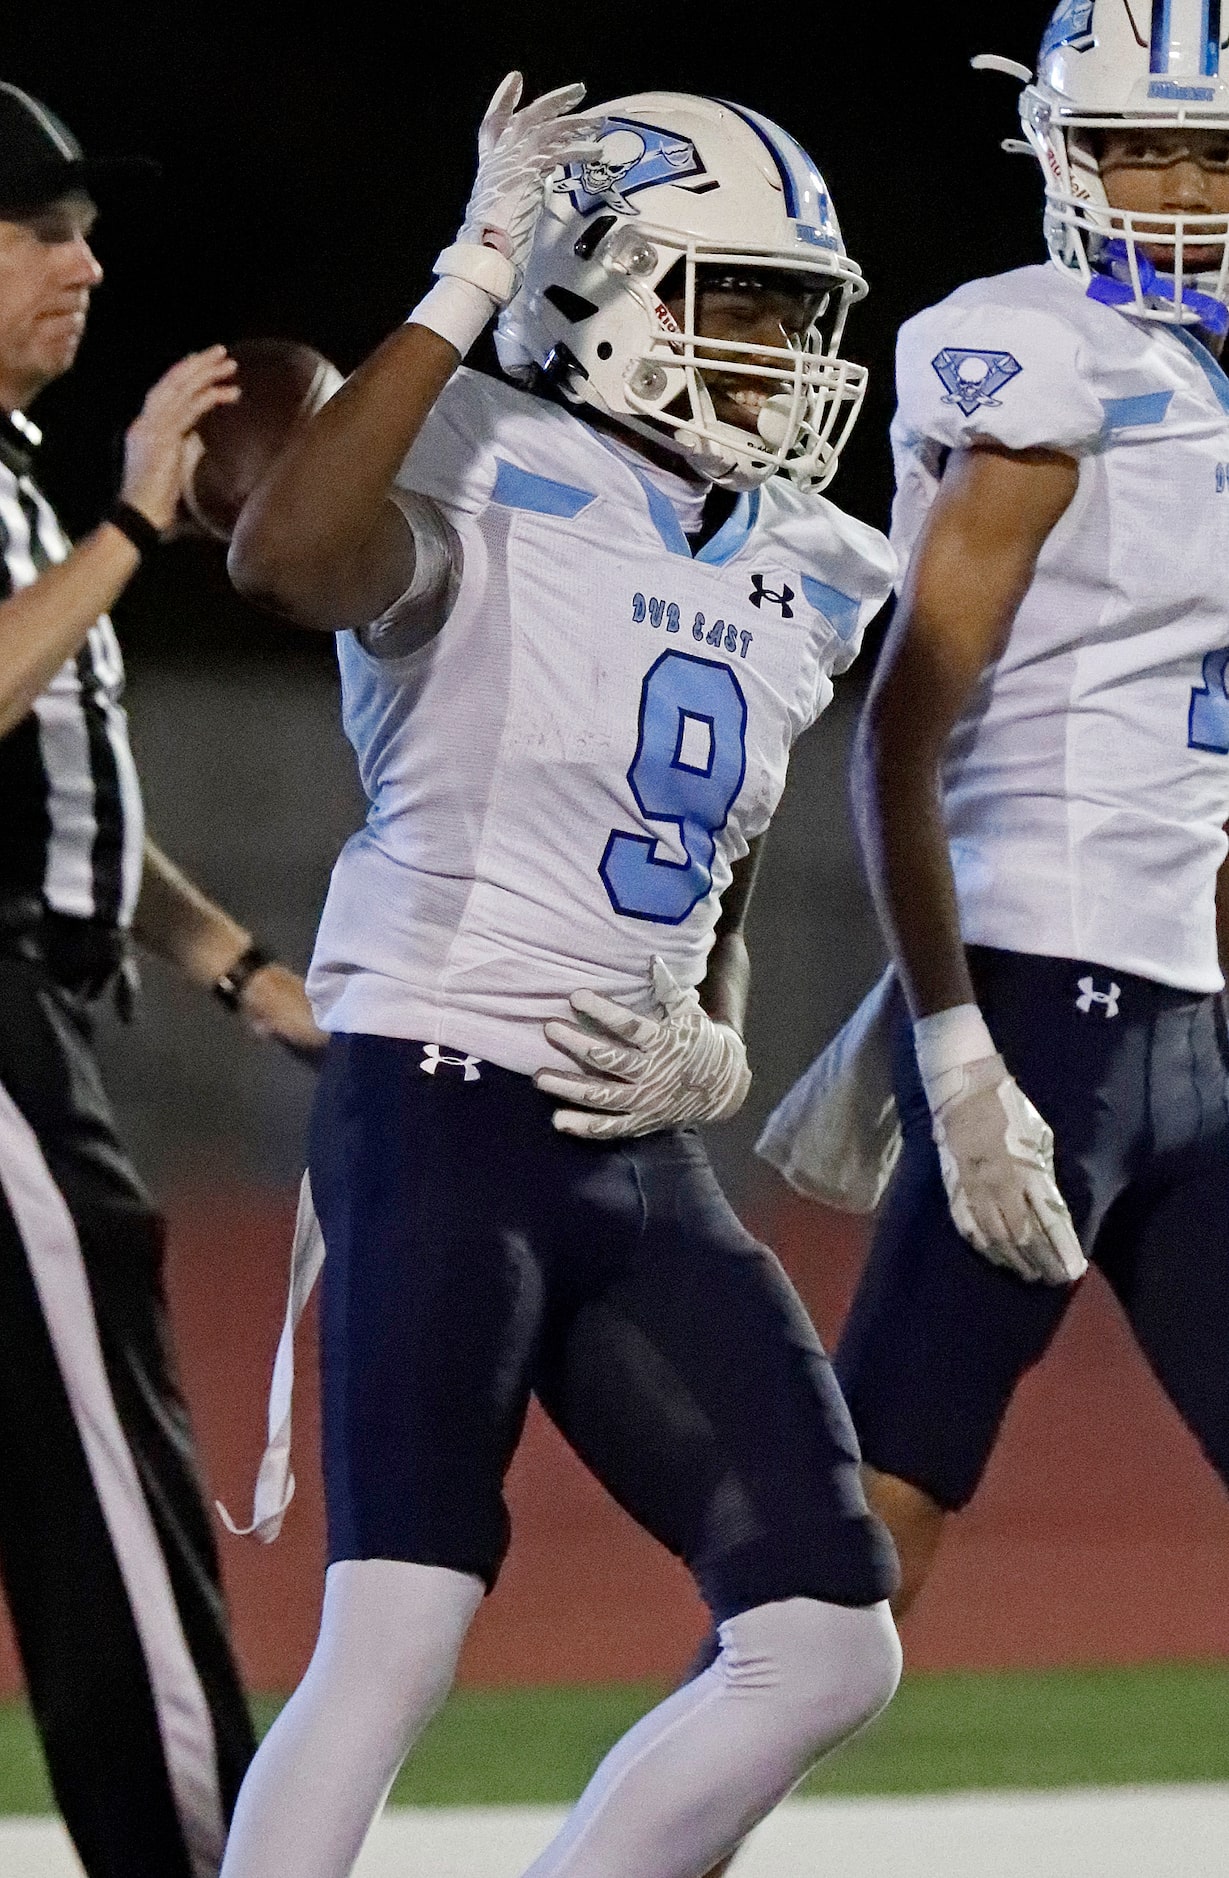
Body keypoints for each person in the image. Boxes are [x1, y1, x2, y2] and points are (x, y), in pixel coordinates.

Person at [220, 75, 902, 1878]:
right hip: (438, 1089)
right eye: (732, 297)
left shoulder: (812, 568)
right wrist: (461, 281)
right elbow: (285, 556)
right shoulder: (476, 451)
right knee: (396, 1635)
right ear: (590, 283)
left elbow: (722, 862)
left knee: (827, 1640)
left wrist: (720, 1023)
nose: (771, 348)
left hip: (626, 1133)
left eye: (789, 310)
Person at [771, 0, 1229, 1623]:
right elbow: (900, 724)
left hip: (1183, 1016)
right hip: (1043, 989)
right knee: (872, 1523)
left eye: (1208, 155)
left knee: (878, 1507)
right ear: (1061, 153)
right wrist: (951, 1038)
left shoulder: (1208, 371)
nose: (1174, 192)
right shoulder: (1044, 349)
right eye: (1136, 151)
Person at [0, 80, 323, 1877]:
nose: (83, 261)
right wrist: (133, 526)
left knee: (85, 1470)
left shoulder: (19, 493)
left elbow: (67, 809)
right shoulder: (69, 517)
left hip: (39, 1004)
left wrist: (244, 970)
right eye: (37, 227)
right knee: (110, 1489)